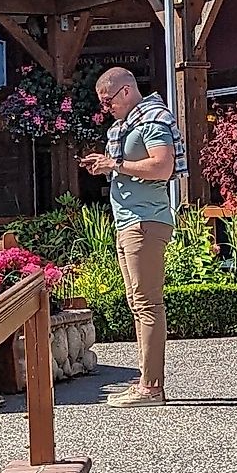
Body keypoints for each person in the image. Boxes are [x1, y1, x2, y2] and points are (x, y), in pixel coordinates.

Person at [80, 66, 177, 408]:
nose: (105, 108)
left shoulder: (151, 117)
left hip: (145, 222)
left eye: (107, 101)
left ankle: (151, 387)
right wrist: (106, 165)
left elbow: (162, 167)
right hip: (129, 222)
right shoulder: (124, 125)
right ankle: (147, 382)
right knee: (139, 305)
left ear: (125, 91)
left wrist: (115, 165)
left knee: (148, 304)